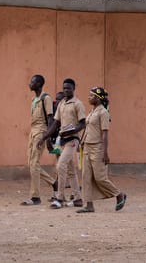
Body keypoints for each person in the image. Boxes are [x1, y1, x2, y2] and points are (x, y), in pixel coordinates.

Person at [76, 86, 127, 213]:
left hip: (97, 148)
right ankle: (88, 205)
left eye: (92, 96)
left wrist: (105, 152)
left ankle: (119, 194)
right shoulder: (92, 111)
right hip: (87, 146)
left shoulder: (103, 112)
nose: (89, 97)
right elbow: (88, 129)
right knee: (86, 176)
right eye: (89, 95)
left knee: (100, 177)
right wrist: (81, 142)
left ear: (98, 98)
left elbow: (105, 133)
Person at [39, 78, 85, 209]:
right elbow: (55, 123)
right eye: (64, 88)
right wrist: (44, 137)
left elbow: (83, 123)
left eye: (68, 88)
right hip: (63, 141)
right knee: (71, 171)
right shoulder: (62, 104)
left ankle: (59, 198)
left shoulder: (78, 104)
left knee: (60, 165)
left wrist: (72, 131)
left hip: (73, 140)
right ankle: (78, 199)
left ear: (74, 89)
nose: (66, 90)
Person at [21, 74, 58, 205]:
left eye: (32, 82)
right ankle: (54, 183)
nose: (30, 84)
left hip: (41, 131)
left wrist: (46, 137)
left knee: (34, 163)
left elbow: (50, 118)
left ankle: (35, 196)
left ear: (39, 84)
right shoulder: (34, 99)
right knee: (31, 164)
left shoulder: (45, 98)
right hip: (33, 131)